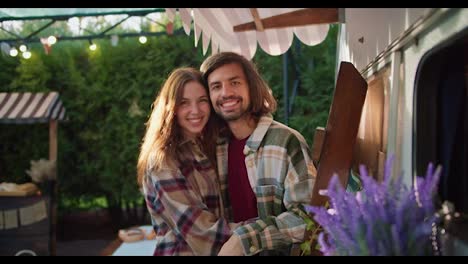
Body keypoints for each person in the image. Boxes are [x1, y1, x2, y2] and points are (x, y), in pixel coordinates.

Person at [200, 52, 317, 256]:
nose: (226, 93)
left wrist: (245, 239)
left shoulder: (285, 142)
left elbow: (309, 217)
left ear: (251, 87)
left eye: (235, 82)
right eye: (216, 86)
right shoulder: (213, 149)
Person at [136, 67, 239, 255]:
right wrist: (259, 232)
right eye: (184, 103)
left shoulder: (209, 146)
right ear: (171, 107)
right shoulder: (163, 160)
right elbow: (202, 231)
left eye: (202, 101)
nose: (195, 111)